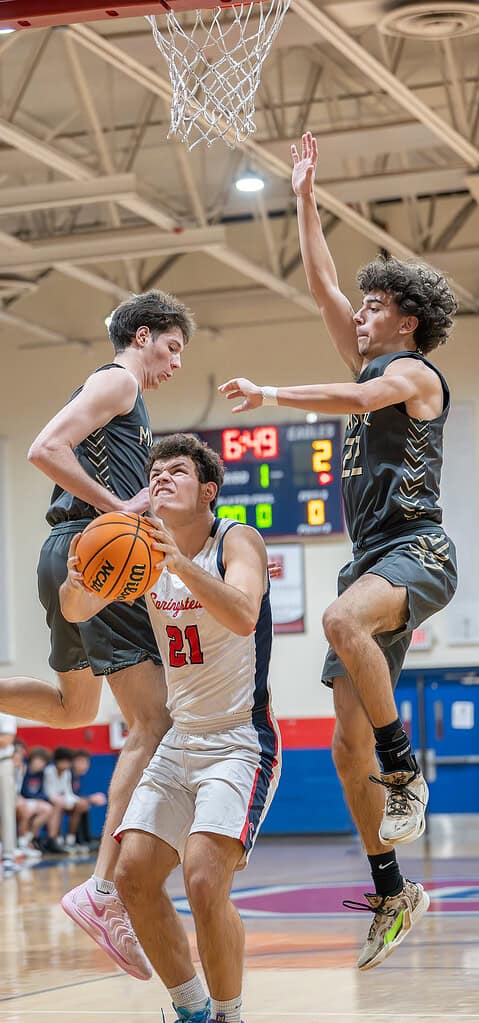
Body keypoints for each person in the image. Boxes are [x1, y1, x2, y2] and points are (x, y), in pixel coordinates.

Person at [218, 131, 458, 972]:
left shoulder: (413, 376)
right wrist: (306, 196)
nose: (357, 312)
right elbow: (321, 282)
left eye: (373, 305)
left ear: (407, 319)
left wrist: (274, 391)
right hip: (370, 563)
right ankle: (392, 887)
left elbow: (357, 391)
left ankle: (407, 772)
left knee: (332, 616)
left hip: (417, 548)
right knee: (339, 744)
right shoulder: (365, 353)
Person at [0, 290, 195, 977]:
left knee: (74, 709)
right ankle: (104, 890)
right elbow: (41, 448)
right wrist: (120, 512)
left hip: (72, 552)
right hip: (92, 552)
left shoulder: (128, 404)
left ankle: (103, 887)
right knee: (154, 719)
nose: (175, 363)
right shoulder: (116, 382)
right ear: (142, 335)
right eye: (171, 347)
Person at [59, 433, 281, 1023]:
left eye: (176, 471)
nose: (160, 477)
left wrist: (178, 561)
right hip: (182, 739)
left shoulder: (236, 540)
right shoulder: (138, 551)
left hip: (241, 741)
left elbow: (243, 614)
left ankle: (230, 1015)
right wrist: (80, 576)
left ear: (208, 491)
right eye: (154, 471)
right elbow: (74, 610)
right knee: (131, 879)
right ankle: (193, 1011)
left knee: (205, 881)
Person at [72, 749, 107, 848]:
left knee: (84, 805)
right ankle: (74, 840)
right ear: (75, 761)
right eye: (82, 762)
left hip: (70, 802)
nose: (85, 766)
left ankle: (84, 840)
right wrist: (90, 799)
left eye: (87, 763)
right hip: (59, 802)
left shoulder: (77, 777)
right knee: (83, 804)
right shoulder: (69, 774)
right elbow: (68, 795)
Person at [0, 713, 18, 869]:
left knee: (6, 810)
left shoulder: (6, 709)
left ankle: (8, 855)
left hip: (3, 763)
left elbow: (6, 740)